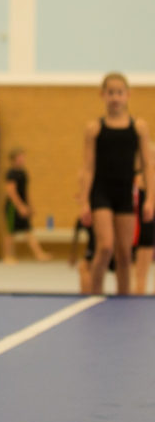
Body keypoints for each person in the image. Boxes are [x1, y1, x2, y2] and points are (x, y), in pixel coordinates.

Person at [78, 72, 154, 296]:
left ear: (128, 95)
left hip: (124, 193)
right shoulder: (94, 128)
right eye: (110, 93)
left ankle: (124, 300)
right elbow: (88, 168)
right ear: (102, 95)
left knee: (125, 254)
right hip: (100, 192)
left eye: (119, 93)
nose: (115, 97)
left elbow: (148, 165)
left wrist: (150, 199)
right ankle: (94, 295)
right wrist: (84, 202)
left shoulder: (138, 127)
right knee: (105, 246)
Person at [1, 148, 50, 264]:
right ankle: (6, 256)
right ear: (14, 159)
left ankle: (39, 254)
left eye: (23, 156)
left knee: (28, 230)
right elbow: (11, 192)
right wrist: (20, 206)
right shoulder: (11, 173)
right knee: (10, 231)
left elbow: (25, 192)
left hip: (23, 204)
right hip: (12, 206)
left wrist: (30, 206)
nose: (23, 159)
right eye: (20, 157)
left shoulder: (23, 173)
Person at [133, 144, 154, 294]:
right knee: (138, 275)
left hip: (146, 229)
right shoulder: (139, 178)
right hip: (137, 230)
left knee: (140, 275)